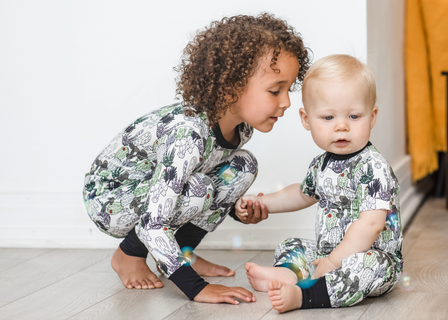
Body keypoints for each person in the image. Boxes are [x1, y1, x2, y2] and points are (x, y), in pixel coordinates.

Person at [82, 13, 310, 304]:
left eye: (288, 89)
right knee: (198, 188)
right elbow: (156, 218)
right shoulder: (188, 136)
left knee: (243, 166)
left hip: (151, 193)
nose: (287, 102)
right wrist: (196, 287)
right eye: (275, 90)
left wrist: (237, 211)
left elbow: (209, 175)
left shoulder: (243, 130)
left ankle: (183, 251)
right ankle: (129, 254)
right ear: (229, 90)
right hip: (110, 200)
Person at [235, 54, 403, 312]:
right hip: (328, 253)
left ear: (372, 116)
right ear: (306, 119)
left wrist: (335, 261)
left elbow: (371, 224)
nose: (342, 127)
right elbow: (301, 195)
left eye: (354, 116)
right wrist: (262, 201)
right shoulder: (321, 163)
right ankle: (287, 276)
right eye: (328, 118)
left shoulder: (374, 167)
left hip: (369, 256)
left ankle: (306, 296)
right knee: (292, 244)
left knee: (370, 266)